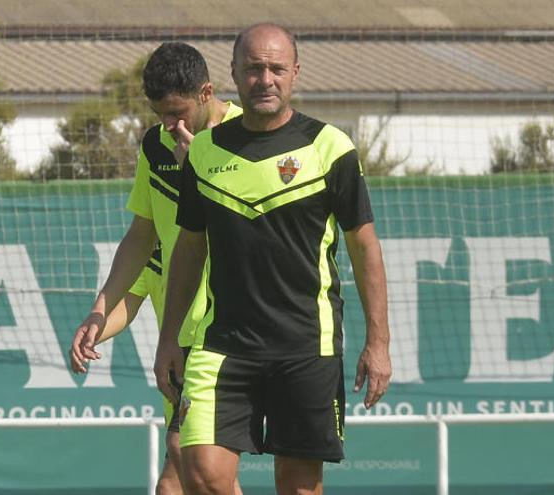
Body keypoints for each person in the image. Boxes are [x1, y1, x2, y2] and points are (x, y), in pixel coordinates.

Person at [154, 23, 392, 495]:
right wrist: (168, 339)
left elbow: (365, 246)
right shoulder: (203, 153)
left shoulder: (331, 148)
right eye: (253, 69)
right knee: (200, 473)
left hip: (306, 344)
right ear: (234, 75)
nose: (265, 79)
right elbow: (189, 247)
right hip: (222, 345)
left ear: (295, 73)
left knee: (299, 487)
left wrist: (378, 341)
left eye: (276, 69)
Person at [69, 42, 242, 495]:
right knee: (179, 476)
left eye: (178, 112)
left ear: (207, 92)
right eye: (160, 114)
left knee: (205, 469)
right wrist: (98, 312)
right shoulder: (156, 145)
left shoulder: (249, 137)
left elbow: (259, 235)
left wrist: (199, 173)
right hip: (186, 339)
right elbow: (142, 238)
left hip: (246, 332)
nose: (170, 125)